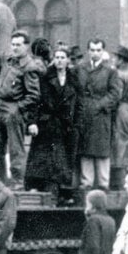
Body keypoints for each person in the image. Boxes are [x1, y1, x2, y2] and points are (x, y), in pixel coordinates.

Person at [0, 30, 42, 187]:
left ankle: (18, 182)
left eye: (18, 45)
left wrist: (17, 108)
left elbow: (34, 95)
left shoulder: (29, 67)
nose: (15, 48)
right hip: (0, 107)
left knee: (15, 149)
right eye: (13, 44)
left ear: (26, 46)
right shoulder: (9, 60)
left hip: (14, 108)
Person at [24, 45, 80, 194]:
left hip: (65, 126)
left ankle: (58, 192)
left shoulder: (74, 80)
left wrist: (76, 124)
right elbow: (36, 102)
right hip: (46, 124)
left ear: (68, 60)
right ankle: (38, 189)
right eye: (57, 57)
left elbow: (79, 104)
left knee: (61, 161)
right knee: (41, 160)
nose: (59, 60)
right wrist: (32, 122)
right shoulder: (45, 78)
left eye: (62, 58)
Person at [76, 39, 120, 190]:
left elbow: (115, 93)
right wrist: (81, 105)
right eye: (92, 50)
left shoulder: (110, 71)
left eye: (98, 50)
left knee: (101, 149)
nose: (95, 53)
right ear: (88, 51)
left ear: (103, 51)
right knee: (85, 149)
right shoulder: (80, 69)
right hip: (83, 113)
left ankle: (103, 183)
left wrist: (99, 105)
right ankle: (86, 183)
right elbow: (76, 89)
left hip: (101, 115)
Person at [111, 45, 128, 187]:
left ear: (121, 60)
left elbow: (117, 96)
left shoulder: (119, 75)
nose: (113, 59)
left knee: (119, 143)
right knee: (127, 143)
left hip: (120, 110)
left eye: (115, 57)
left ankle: (119, 181)